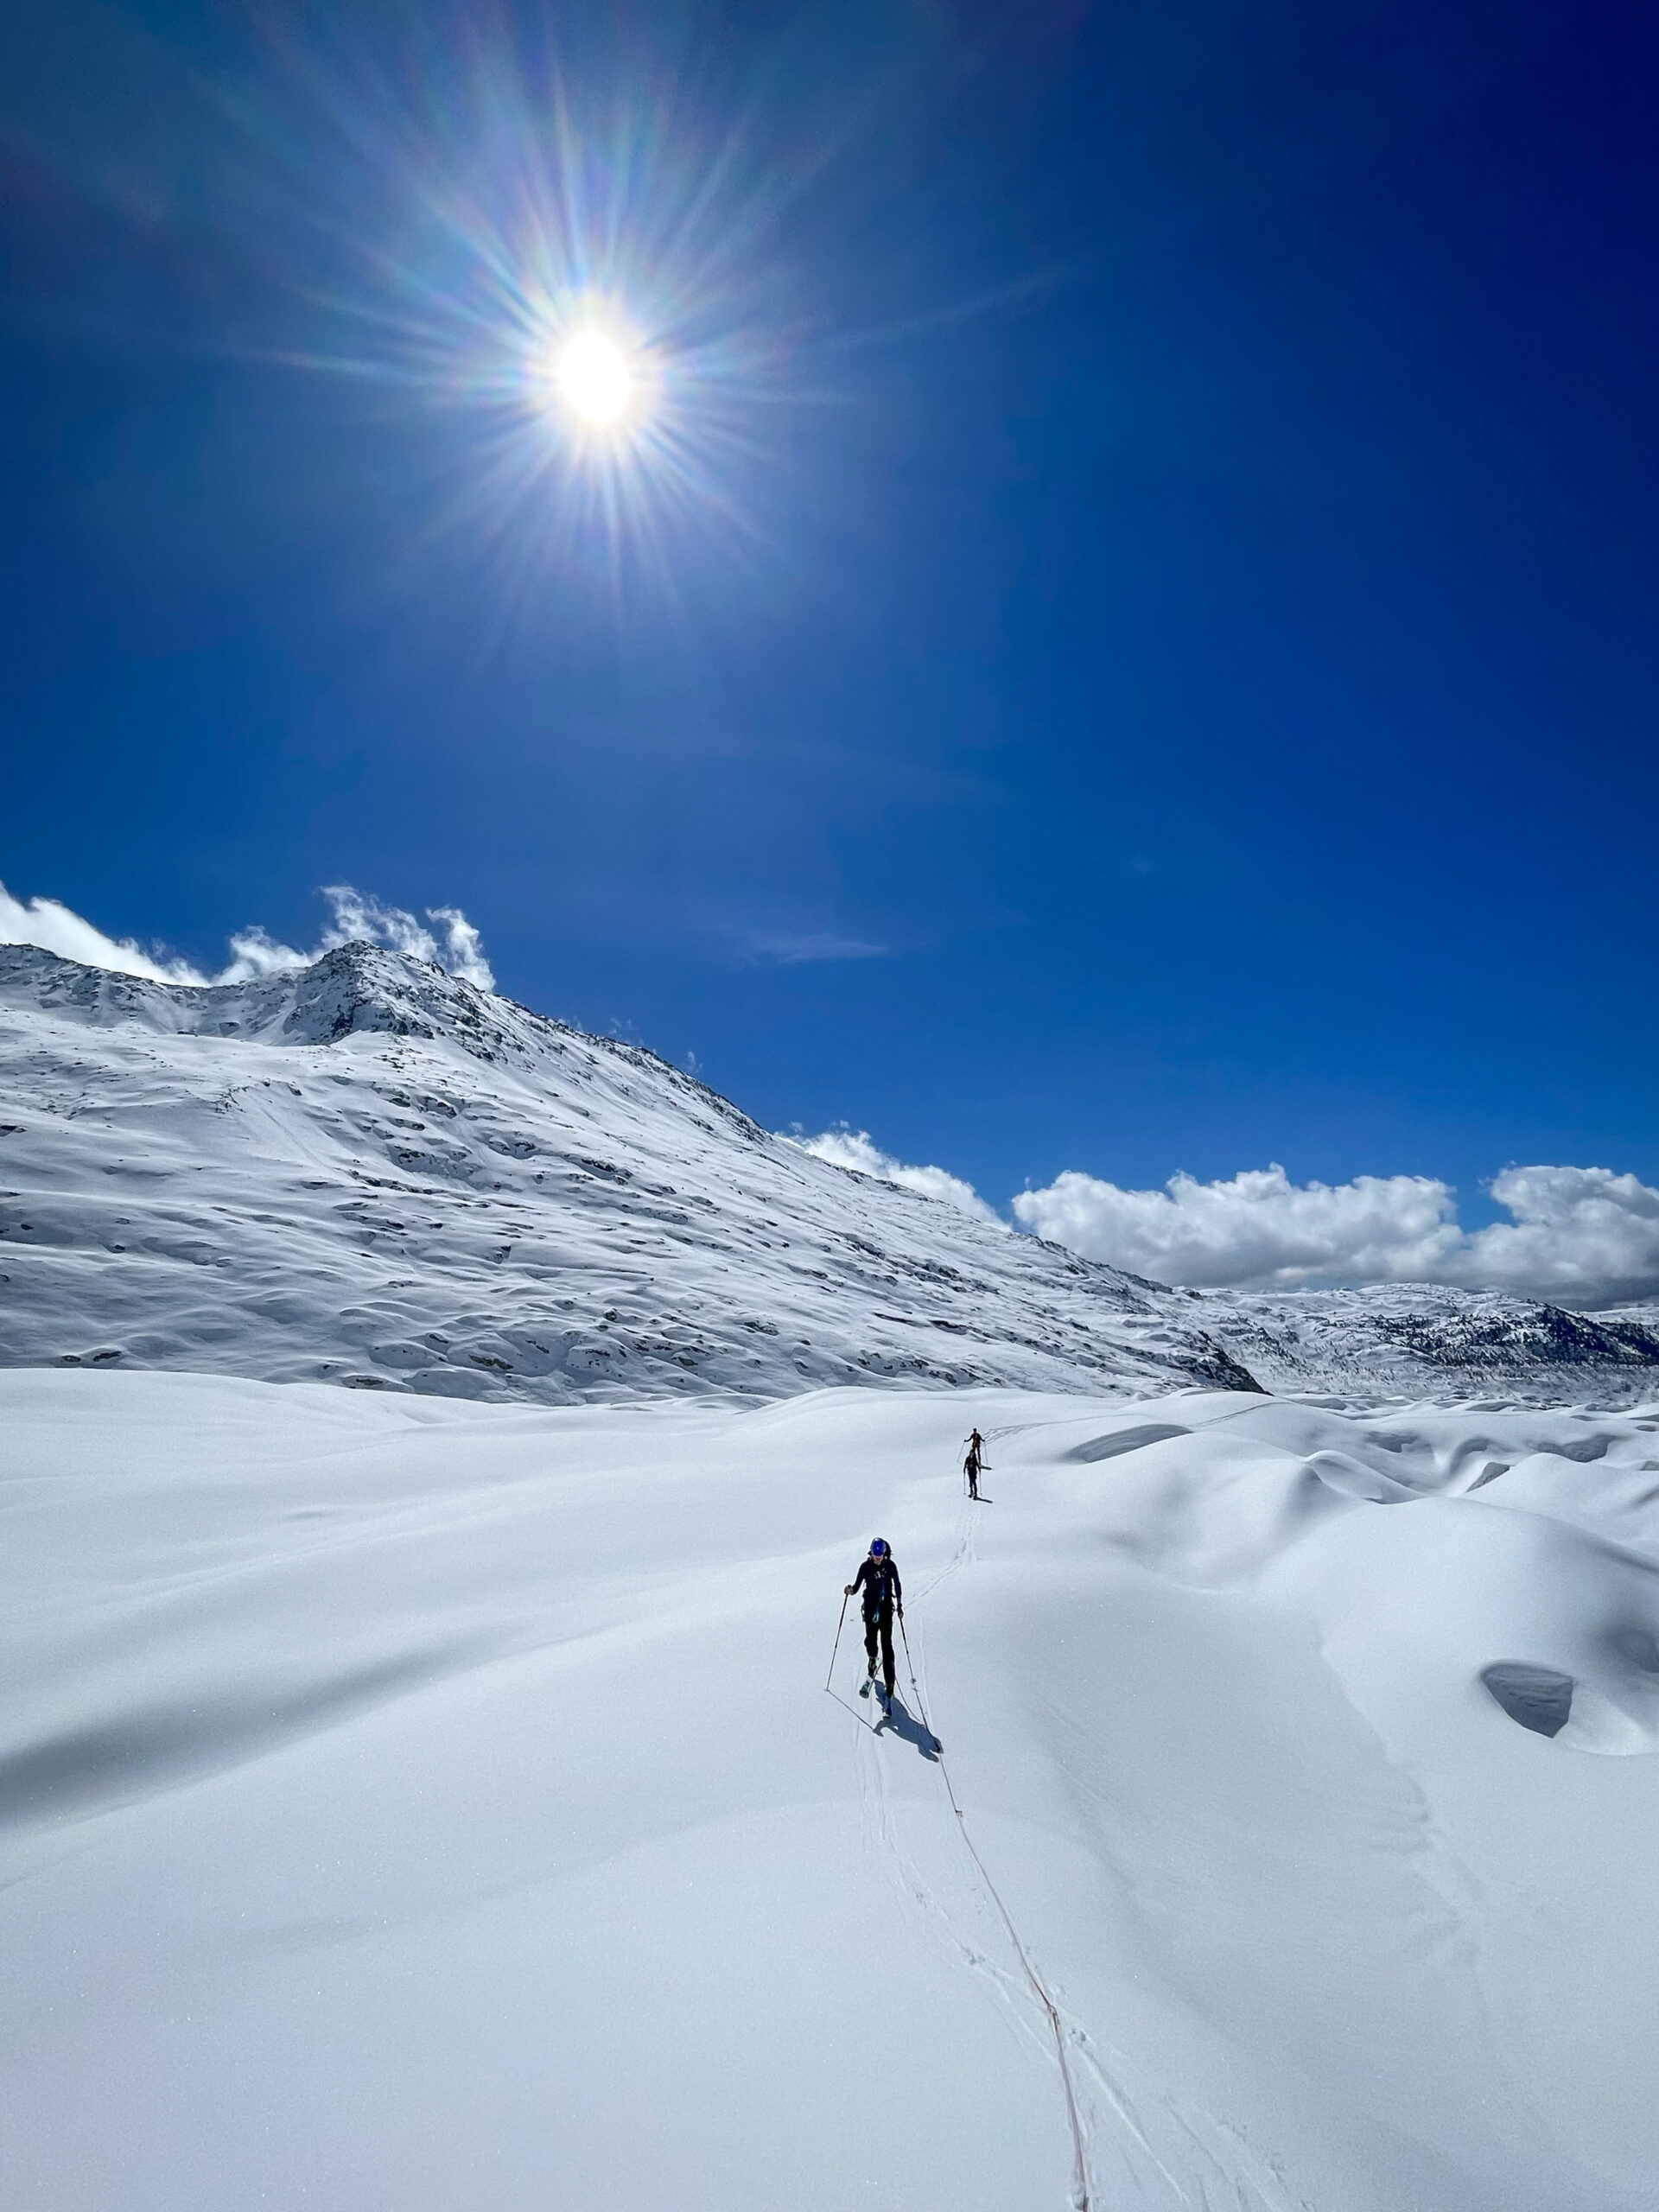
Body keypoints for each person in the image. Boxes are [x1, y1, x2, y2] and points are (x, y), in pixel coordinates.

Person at [845, 1538, 902, 1698]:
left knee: (887, 1646)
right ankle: (872, 1660)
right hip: (870, 1610)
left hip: (885, 1610)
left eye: (881, 1554)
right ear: (871, 1553)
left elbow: (897, 1585)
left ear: (885, 1554)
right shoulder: (865, 1567)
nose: (878, 1557)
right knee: (871, 1642)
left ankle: (890, 1684)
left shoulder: (890, 1566)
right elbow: (856, 1587)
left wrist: (899, 1606)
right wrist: (849, 1590)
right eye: (875, 1554)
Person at [963, 1428, 984, 1500]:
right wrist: (964, 1469)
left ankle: (975, 1494)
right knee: (970, 1482)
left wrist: (979, 1468)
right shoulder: (968, 1458)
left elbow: (981, 1439)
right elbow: (965, 1464)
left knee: (974, 1482)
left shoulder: (978, 1435)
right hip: (969, 1471)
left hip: (973, 1472)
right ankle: (972, 1492)